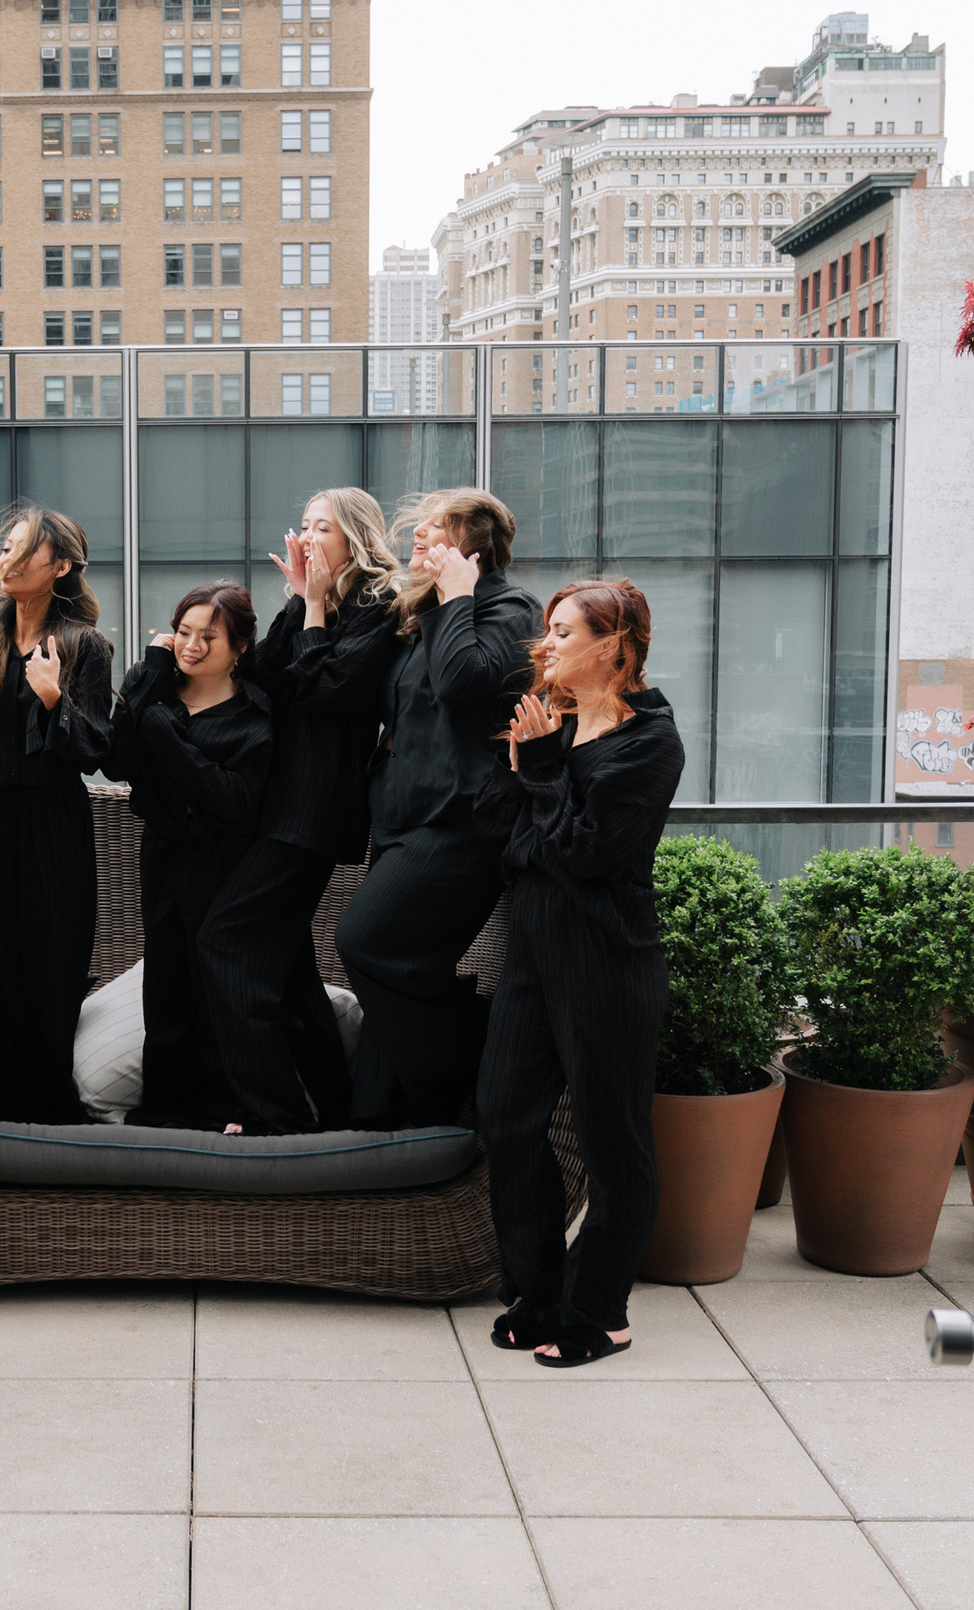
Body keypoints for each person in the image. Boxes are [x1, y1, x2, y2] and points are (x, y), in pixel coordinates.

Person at [475, 579, 685, 1367]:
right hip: (533, 954)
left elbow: (589, 852)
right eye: (550, 629)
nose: (547, 643)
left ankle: (600, 1311)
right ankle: (538, 1292)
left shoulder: (649, 743)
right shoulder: (551, 723)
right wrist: (525, 768)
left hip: (607, 961)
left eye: (565, 631)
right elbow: (509, 839)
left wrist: (540, 774)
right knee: (504, 1116)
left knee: (613, 1144)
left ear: (614, 643)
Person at [193, 487, 402, 1132]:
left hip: (313, 810)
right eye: (304, 525)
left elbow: (327, 688)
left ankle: (273, 1113)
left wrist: (311, 606)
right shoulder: (311, 602)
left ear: (355, 538)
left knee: (225, 940)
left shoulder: (380, 606)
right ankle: (334, 1108)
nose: (308, 537)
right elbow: (267, 680)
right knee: (287, 967)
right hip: (276, 804)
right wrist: (296, 600)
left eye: (322, 528)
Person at [333, 489, 541, 1128]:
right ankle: (382, 1121)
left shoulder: (511, 610)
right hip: (402, 814)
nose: (417, 539)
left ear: (473, 544)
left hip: (461, 820)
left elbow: (459, 682)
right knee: (407, 968)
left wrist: (456, 597)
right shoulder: (421, 613)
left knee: (363, 942)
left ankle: (485, 1044)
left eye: (433, 529)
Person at [0, 506, 116, 1124]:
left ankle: (56, 1116)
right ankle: (12, 1118)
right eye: (6, 547)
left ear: (59, 566)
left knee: (54, 965)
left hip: (52, 821)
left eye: (23, 549)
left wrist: (54, 698)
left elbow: (96, 751)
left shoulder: (84, 645)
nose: (6, 559)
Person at [103, 581, 273, 1131]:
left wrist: (166, 738)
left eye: (209, 637)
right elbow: (116, 762)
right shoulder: (158, 690)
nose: (191, 646)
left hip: (222, 865)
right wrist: (152, 671)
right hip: (162, 856)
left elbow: (234, 800)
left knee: (213, 985)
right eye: (182, 632)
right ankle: (166, 1111)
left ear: (240, 647)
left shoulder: (253, 716)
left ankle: (228, 1110)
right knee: (166, 986)